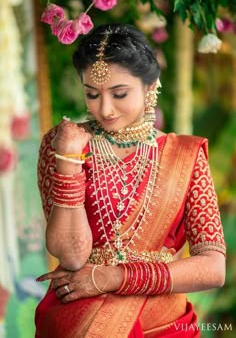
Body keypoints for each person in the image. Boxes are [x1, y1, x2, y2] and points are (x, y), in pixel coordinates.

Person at [35, 23, 226, 337]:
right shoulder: (64, 143)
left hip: (163, 323)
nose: (105, 109)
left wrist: (114, 278)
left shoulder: (186, 155)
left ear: (151, 87)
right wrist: (69, 158)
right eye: (92, 94)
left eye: (119, 93)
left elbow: (213, 268)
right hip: (79, 318)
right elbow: (71, 255)